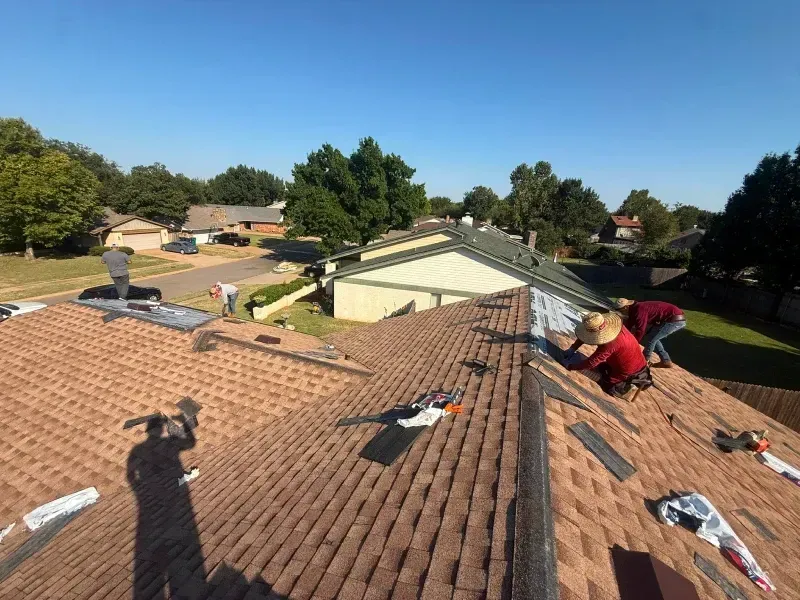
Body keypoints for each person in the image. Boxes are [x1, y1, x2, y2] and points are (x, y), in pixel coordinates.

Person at [562, 311, 650, 398]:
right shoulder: (616, 328)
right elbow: (585, 335)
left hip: (629, 371)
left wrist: (571, 366)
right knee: (601, 367)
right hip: (637, 362)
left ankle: (626, 386)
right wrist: (573, 348)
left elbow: (592, 362)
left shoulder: (610, 343)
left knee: (606, 383)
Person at [615, 298, 686, 368]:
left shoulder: (639, 309)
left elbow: (640, 330)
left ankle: (644, 360)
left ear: (626, 307)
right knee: (654, 338)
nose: (620, 312)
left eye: (620, 310)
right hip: (670, 319)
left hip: (674, 320)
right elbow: (629, 324)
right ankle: (666, 361)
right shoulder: (633, 310)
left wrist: (634, 343)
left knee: (652, 339)